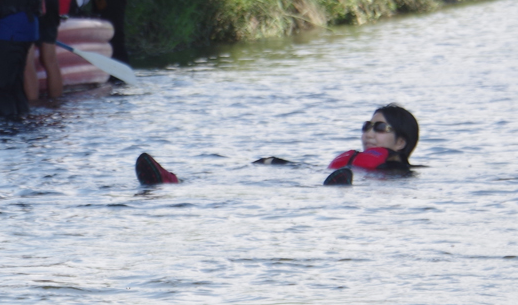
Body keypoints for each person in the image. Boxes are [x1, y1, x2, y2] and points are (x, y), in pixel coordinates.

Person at [134, 104, 420, 186]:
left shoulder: (398, 174)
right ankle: (172, 180)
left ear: (401, 141)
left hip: (332, 184)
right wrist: (279, 162)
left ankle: (335, 189)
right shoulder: (356, 160)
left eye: (380, 128)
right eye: (367, 126)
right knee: (247, 174)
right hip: (315, 175)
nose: (370, 133)